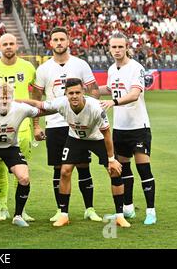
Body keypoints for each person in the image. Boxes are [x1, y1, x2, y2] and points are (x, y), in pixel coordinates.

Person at [22, 78, 131, 228]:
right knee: (65, 171)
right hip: (75, 138)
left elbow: (107, 134)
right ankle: (64, 215)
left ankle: (119, 216)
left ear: (83, 92)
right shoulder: (61, 103)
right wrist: (15, 101)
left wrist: (111, 159)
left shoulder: (96, 108)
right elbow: (39, 104)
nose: (74, 96)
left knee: (114, 171)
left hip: (97, 139)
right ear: (66, 93)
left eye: (77, 92)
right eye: (71, 93)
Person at [33, 26, 102, 223]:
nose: (59, 43)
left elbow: (94, 90)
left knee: (83, 166)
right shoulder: (44, 69)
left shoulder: (81, 64)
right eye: (55, 40)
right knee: (59, 168)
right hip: (55, 125)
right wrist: (36, 126)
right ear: (50, 43)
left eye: (62, 39)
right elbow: (37, 99)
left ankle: (89, 208)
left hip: (80, 124)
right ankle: (61, 210)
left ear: (68, 41)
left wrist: (93, 115)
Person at [0, 83, 52, 228]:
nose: (5, 100)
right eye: (1, 97)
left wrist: (64, 107)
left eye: (8, 97)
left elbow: (41, 110)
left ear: (13, 98)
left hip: (10, 147)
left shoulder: (21, 108)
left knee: (24, 177)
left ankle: (18, 215)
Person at [99, 32, 156, 225]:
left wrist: (113, 102)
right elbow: (110, 88)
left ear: (126, 47)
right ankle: (128, 208)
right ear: (109, 48)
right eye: (113, 47)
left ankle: (150, 211)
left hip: (138, 127)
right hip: (120, 129)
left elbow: (133, 94)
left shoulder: (136, 68)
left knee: (143, 169)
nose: (117, 50)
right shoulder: (111, 69)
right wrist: (88, 89)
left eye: (120, 47)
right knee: (123, 169)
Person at [0, 33, 36, 222]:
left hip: (23, 127)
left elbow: (36, 96)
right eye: (5, 44)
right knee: (1, 169)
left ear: (17, 45)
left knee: (22, 170)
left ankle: (21, 211)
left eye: (12, 43)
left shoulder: (28, 67)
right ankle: (3, 207)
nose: (9, 46)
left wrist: (36, 126)